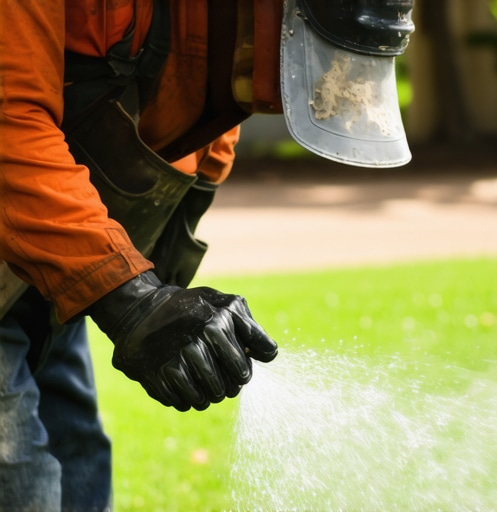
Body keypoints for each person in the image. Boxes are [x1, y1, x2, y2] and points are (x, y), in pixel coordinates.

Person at [0, 1, 414, 510]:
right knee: (18, 475)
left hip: (43, 258)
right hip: (25, 213)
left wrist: (160, 277)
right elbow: (9, 122)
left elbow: (202, 108)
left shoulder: (220, 39)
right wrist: (129, 299)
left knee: (79, 454)